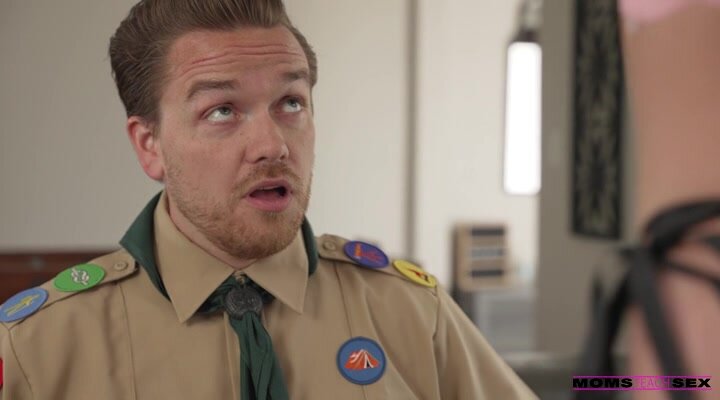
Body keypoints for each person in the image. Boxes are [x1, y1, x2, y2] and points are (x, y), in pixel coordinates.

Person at [0, 1, 537, 399]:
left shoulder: (416, 316)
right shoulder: (37, 348)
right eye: (222, 111)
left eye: (290, 103)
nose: (273, 145)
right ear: (150, 145)